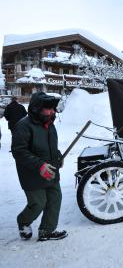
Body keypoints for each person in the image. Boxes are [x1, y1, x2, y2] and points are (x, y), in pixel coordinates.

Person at [12, 92, 67, 241]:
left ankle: (47, 231)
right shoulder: (23, 126)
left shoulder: (49, 124)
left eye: (53, 108)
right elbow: (19, 151)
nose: (52, 112)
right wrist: (39, 165)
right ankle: (23, 222)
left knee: (55, 199)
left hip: (50, 171)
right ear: (37, 109)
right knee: (38, 203)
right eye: (48, 109)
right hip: (32, 174)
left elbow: (50, 145)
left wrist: (57, 155)